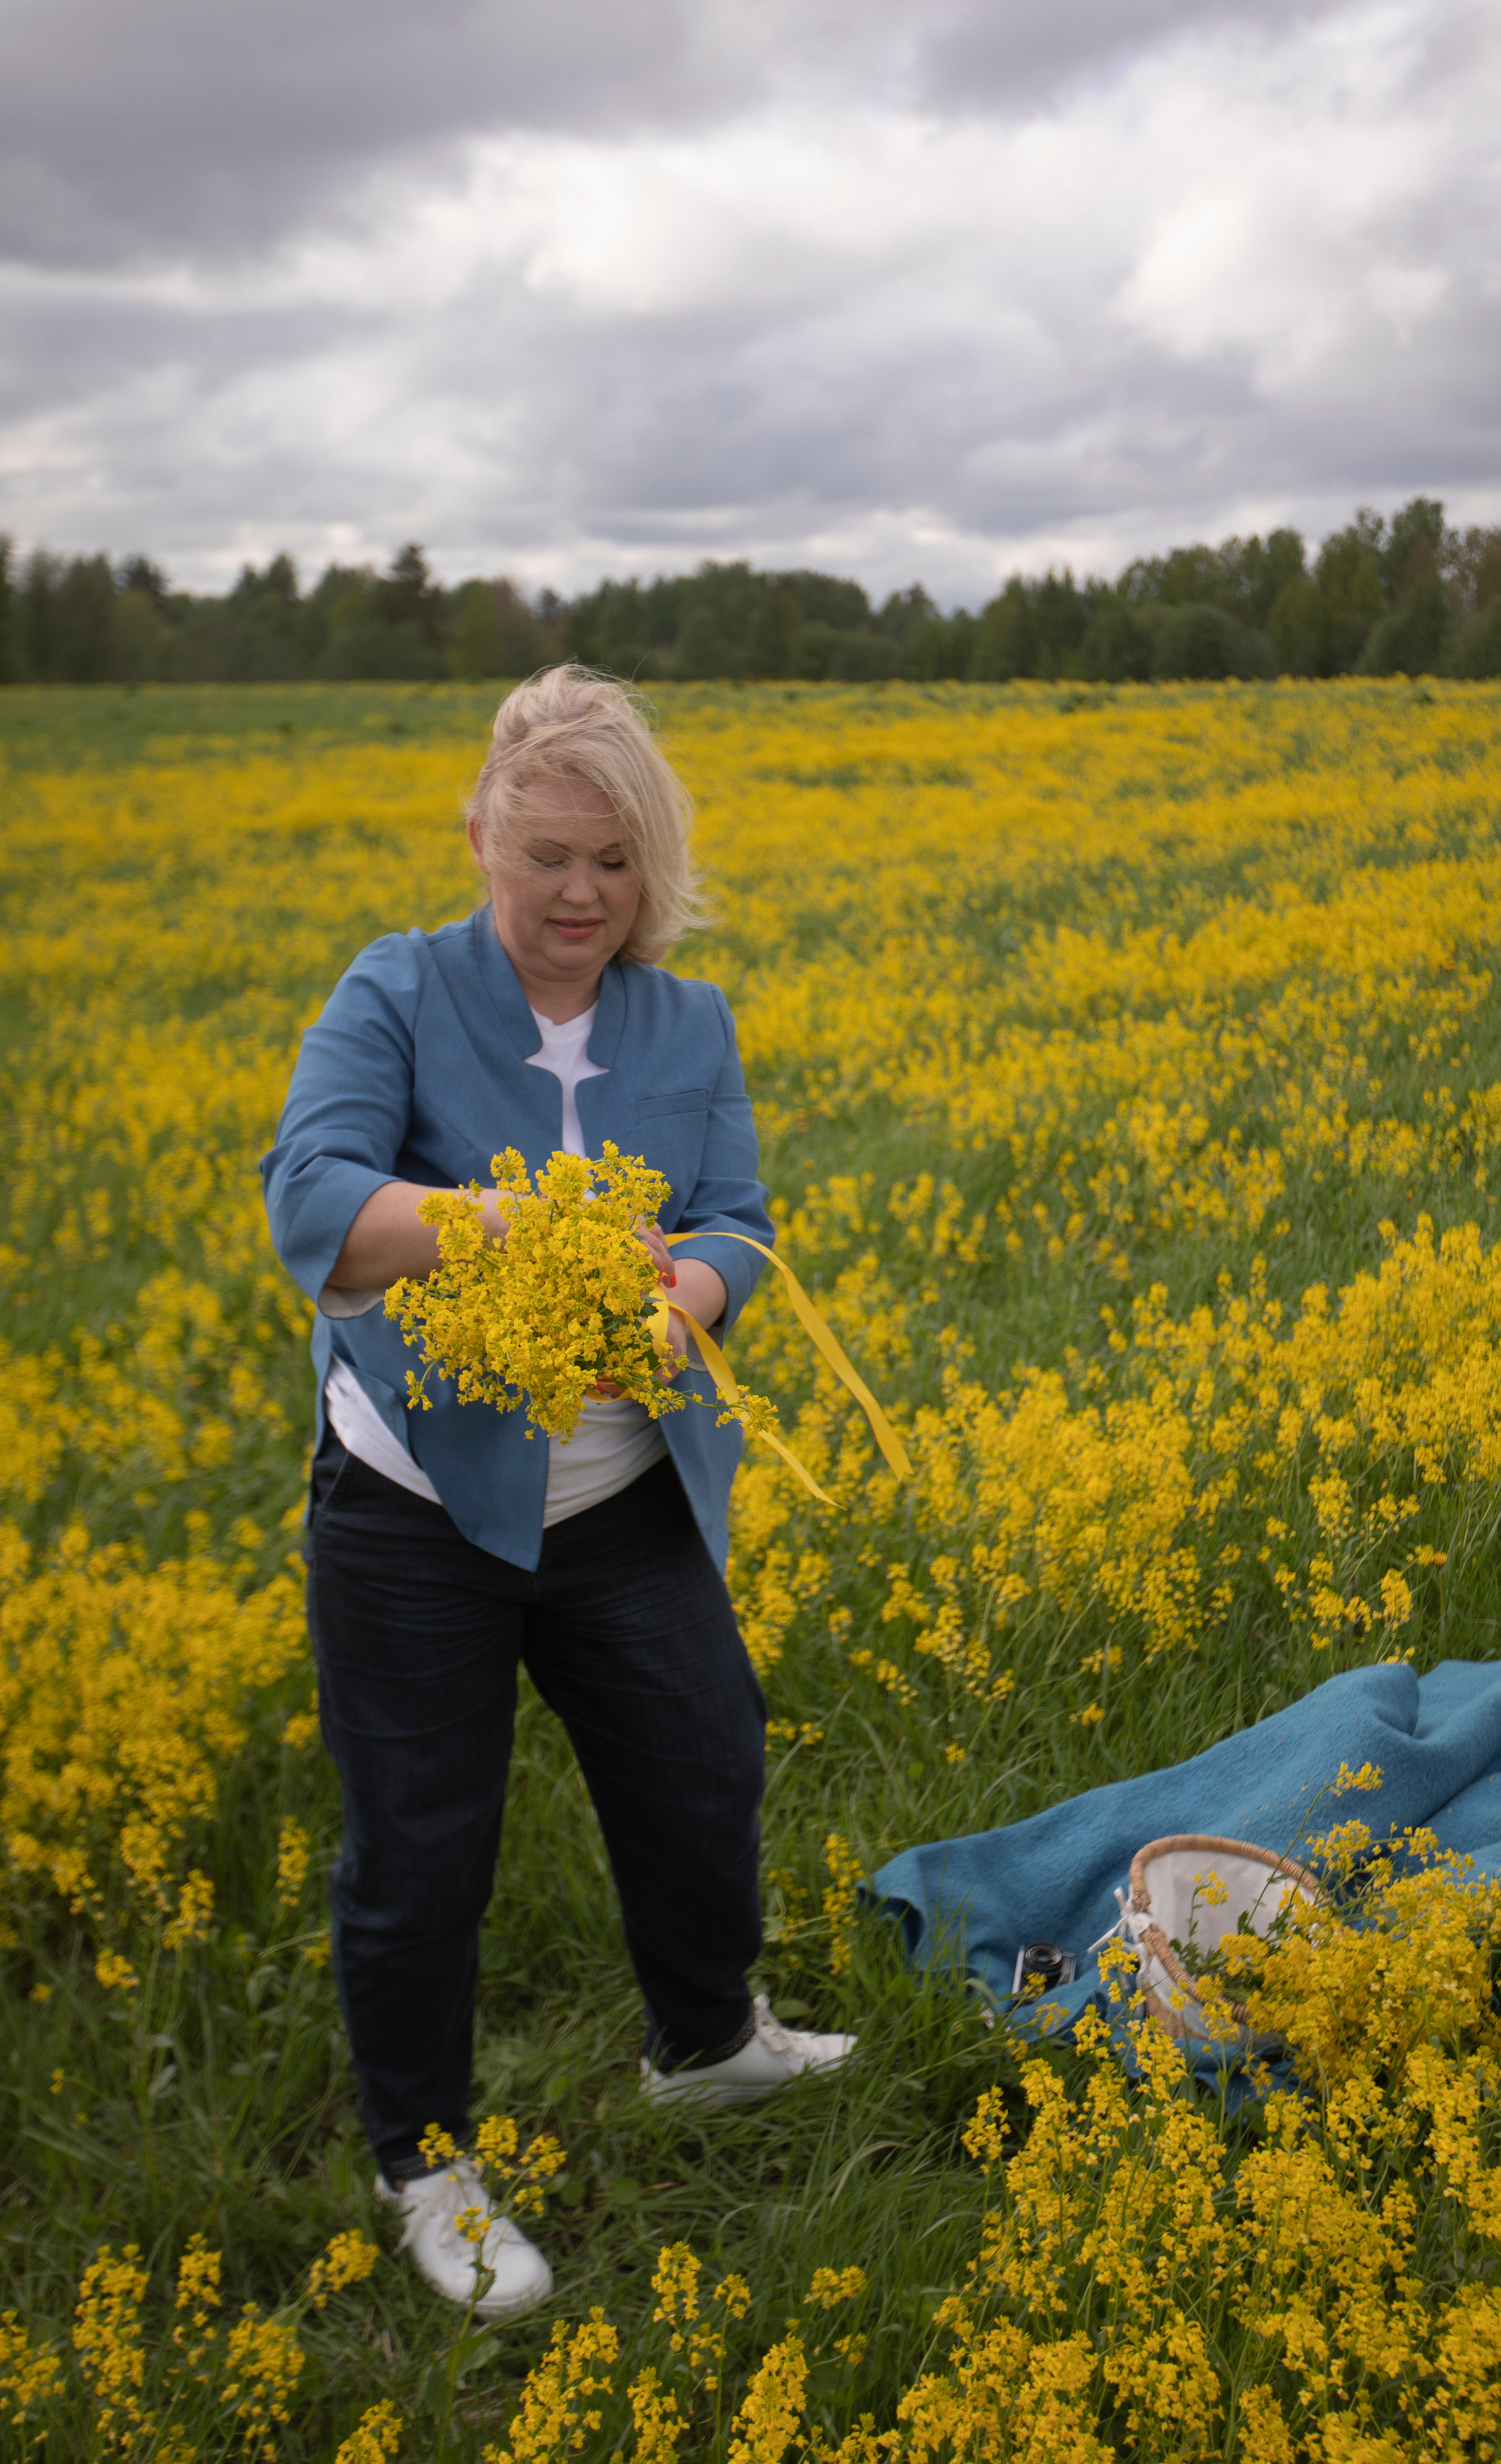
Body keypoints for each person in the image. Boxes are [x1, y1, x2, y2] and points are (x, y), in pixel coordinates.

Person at [262, 666, 854, 2319]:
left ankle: (707, 2042)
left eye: (612, 858)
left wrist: (686, 1302)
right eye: (545, 855)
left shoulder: (690, 1018)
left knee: (700, 1763)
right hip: (413, 1514)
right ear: (480, 836)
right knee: (421, 1851)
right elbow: (309, 1196)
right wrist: (515, 1230)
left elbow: (735, 1214)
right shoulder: (394, 990)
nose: (578, 894)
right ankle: (425, 2160)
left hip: (622, 1495)